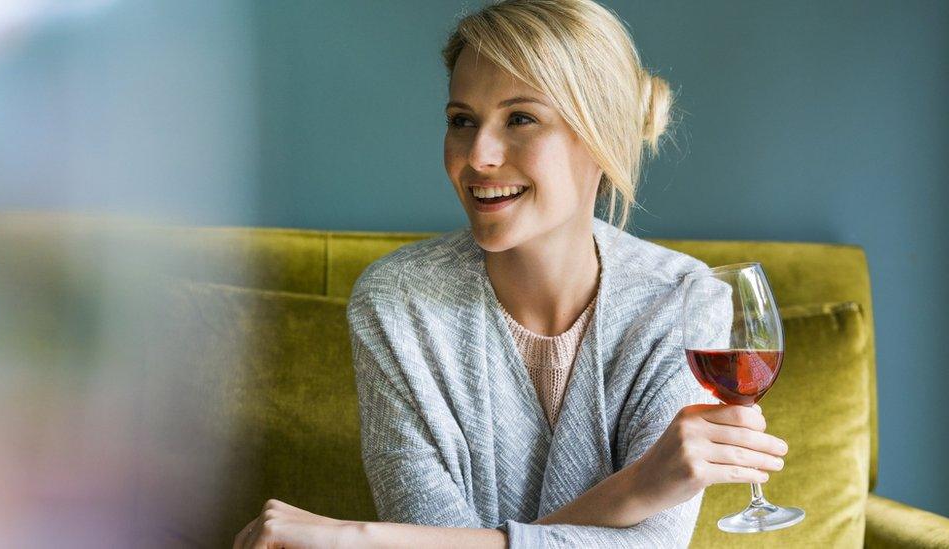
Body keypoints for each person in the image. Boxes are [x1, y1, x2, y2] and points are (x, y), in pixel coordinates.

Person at [233, 1, 789, 547]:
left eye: (520, 118)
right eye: (461, 121)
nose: (478, 155)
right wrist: (637, 490)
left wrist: (362, 539)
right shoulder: (396, 304)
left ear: (605, 136)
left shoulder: (684, 300)